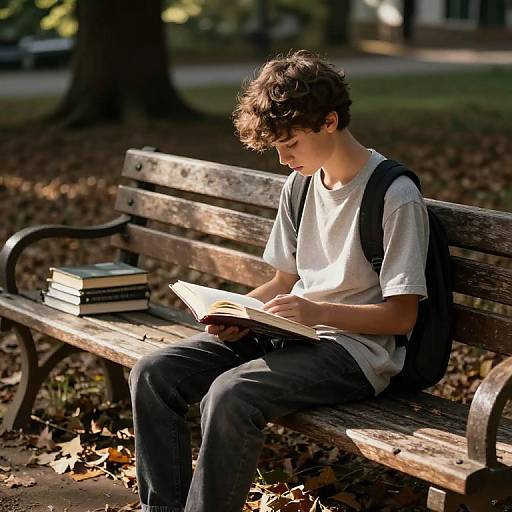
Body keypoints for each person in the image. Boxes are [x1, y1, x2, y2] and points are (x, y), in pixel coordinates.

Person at [129, 49, 429, 512]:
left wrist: (316, 312)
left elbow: (402, 316)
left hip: (353, 352)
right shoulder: (302, 184)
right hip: (290, 333)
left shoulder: (394, 196)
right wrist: (237, 311)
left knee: (230, 396)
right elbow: (284, 280)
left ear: (329, 121)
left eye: (290, 143)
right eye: (277, 148)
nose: (283, 159)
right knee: (153, 373)